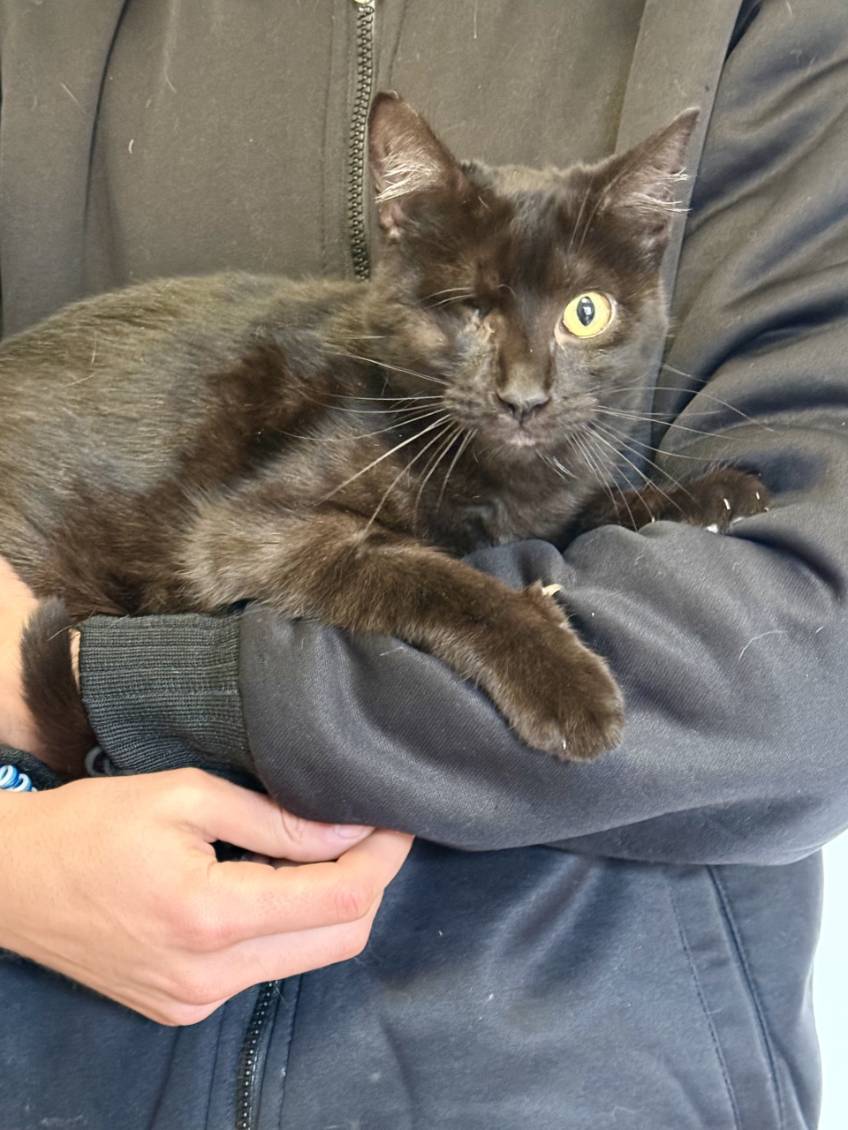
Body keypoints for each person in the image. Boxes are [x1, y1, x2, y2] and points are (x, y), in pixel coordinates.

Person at [0, 0, 845, 1126]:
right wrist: (493, 624)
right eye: (473, 316)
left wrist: (99, 684)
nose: (526, 383)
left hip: (556, 1069)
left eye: (585, 314)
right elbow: (245, 543)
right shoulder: (362, 410)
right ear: (400, 236)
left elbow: (803, 676)